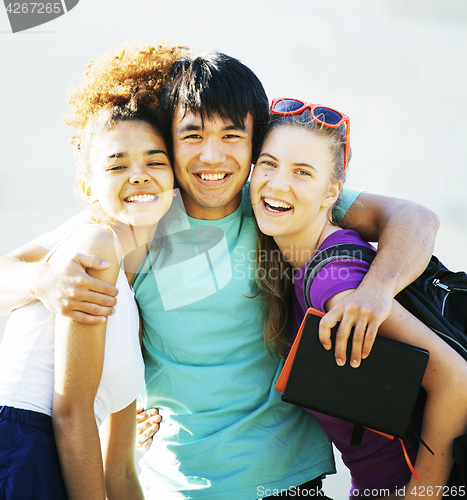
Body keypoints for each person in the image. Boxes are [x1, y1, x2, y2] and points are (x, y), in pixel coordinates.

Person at [0, 51, 440, 499]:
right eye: (192, 135)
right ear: (170, 141)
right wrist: (45, 281)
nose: (212, 156)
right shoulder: (139, 219)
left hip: (290, 481)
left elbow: (414, 218)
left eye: (232, 136)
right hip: (175, 486)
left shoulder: (275, 201)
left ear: (256, 145)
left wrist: (378, 289)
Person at [250, 98, 467, 497]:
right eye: (268, 163)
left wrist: (422, 495)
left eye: (302, 172)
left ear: (332, 192)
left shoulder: (335, 277)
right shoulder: (295, 260)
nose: (278, 183)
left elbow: (455, 379)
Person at [0, 43, 183, 500]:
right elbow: (70, 414)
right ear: (88, 186)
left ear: (175, 174)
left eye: (154, 162)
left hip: (57, 459)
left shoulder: (135, 292)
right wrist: (42, 279)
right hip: (21, 447)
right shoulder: (93, 244)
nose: (138, 176)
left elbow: (119, 472)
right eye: (117, 165)